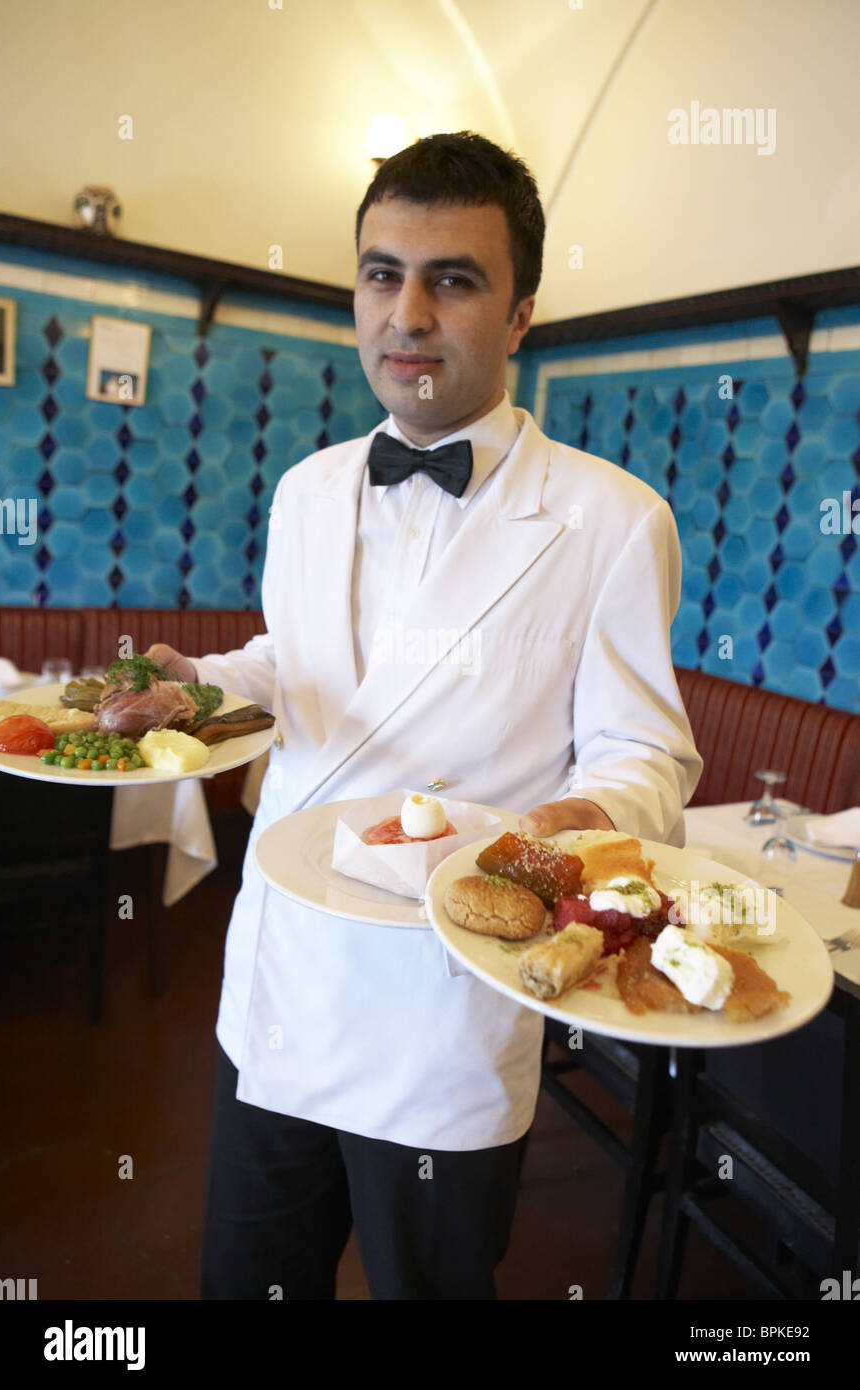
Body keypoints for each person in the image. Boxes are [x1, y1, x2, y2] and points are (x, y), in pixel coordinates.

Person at [147, 131, 703, 1301]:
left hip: (445, 999)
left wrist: (571, 823)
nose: (405, 313)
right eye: (379, 273)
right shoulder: (305, 491)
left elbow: (645, 749)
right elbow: (294, 663)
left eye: (452, 279)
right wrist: (202, 686)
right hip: (284, 987)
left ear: (518, 315)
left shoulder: (610, 519)